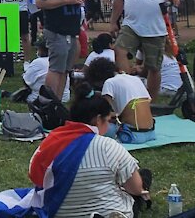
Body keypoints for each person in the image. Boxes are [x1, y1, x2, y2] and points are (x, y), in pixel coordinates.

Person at [21, 83, 148, 218]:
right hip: (108, 211)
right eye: (109, 120)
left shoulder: (50, 142)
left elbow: (36, 177)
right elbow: (135, 188)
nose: (111, 125)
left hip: (58, 212)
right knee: (143, 176)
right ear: (98, 120)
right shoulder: (109, 146)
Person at [109, 0, 181, 99]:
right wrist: (113, 21)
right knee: (119, 50)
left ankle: (151, 101)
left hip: (155, 27)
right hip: (131, 24)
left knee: (153, 67)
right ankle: (129, 90)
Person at [35, 0, 85, 100]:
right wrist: (68, 0)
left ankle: (59, 100)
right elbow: (40, 3)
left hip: (71, 29)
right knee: (56, 68)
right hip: (57, 29)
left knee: (65, 69)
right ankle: (49, 101)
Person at [83, 57, 155, 144]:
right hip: (151, 132)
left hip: (131, 135)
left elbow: (105, 114)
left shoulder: (109, 83)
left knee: (95, 125)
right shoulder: (135, 79)